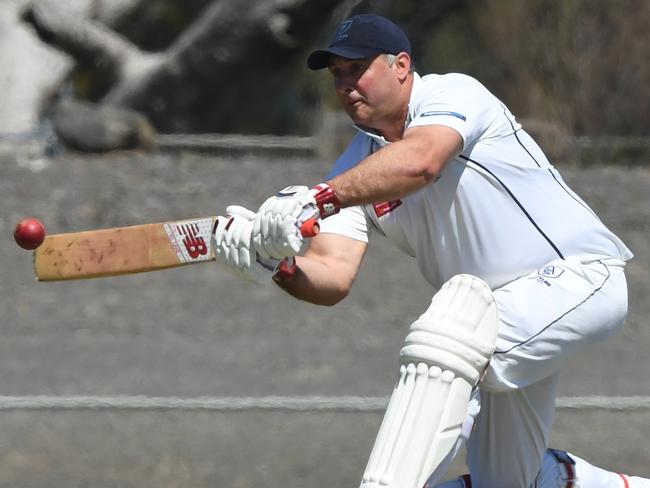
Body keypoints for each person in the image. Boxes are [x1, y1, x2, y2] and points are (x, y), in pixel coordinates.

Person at [212, 13, 647, 488]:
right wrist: (279, 264)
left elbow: (421, 162)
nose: (345, 84)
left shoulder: (452, 94)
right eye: (336, 73)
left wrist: (315, 199)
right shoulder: (356, 165)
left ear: (401, 65)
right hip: (495, 315)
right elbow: (333, 275)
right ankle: (572, 480)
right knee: (505, 482)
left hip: (579, 279)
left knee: (446, 330)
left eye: (357, 67)